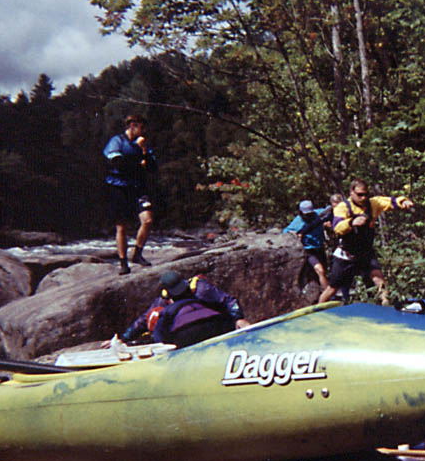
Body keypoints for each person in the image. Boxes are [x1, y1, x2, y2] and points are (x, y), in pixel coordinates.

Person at [317, 180, 414, 306]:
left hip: (365, 252)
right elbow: (337, 227)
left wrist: (403, 202)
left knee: (379, 279)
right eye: (359, 194)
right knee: (332, 288)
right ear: (351, 192)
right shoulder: (343, 207)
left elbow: (390, 202)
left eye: (365, 194)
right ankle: (316, 310)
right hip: (346, 254)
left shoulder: (373, 203)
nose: (363, 198)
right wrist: (351, 223)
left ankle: (386, 304)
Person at [115, 270, 251, 349]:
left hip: (217, 325)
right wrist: (124, 338)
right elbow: (144, 320)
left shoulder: (201, 289)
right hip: (188, 334)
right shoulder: (164, 301)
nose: (181, 293)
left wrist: (238, 318)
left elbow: (229, 300)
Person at [104, 114, 158, 275]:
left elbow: (152, 168)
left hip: (138, 187)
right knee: (122, 226)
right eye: (142, 128)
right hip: (119, 187)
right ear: (133, 126)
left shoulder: (143, 145)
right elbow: (118, 164)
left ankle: (138, 254)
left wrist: (143, 151)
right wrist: (138, 163)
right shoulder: (117, 141)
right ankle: (123, 262)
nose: (144, 132)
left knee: (147, 220)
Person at [282, 199, 334, 292]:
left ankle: (322, 293)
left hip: (320, 248)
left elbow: (330, 209)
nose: (309, 216)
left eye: (310, 213)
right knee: (320, 271)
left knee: (324, 272)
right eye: (307, 214)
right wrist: (292, 232)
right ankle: (328, 296)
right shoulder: (298, 221)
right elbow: (285, 231)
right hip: (309, 251)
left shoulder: (318, 214)